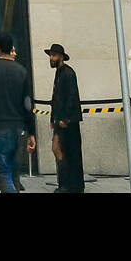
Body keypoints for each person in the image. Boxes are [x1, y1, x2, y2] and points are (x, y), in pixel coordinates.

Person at [0, 32, 36, 194]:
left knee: (2, 171)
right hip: (17, 126)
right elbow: (27, 104)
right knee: (13, 169)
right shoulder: (21, 71)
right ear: (11, 47)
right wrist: (31, 131)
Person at [46, 42, 84, 193]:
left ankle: (69, 185)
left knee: (68, 151)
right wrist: (53, 118)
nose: (51, 58)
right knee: (61, 150)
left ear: (61, 56)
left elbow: (71, 97)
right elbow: (57, 98)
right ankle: (67, 184)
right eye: (50, 55)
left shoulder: (68, 73)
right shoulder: (60, 73)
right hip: (62, 120)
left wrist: (65, 119)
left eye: (53, 55)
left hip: (68, 121)